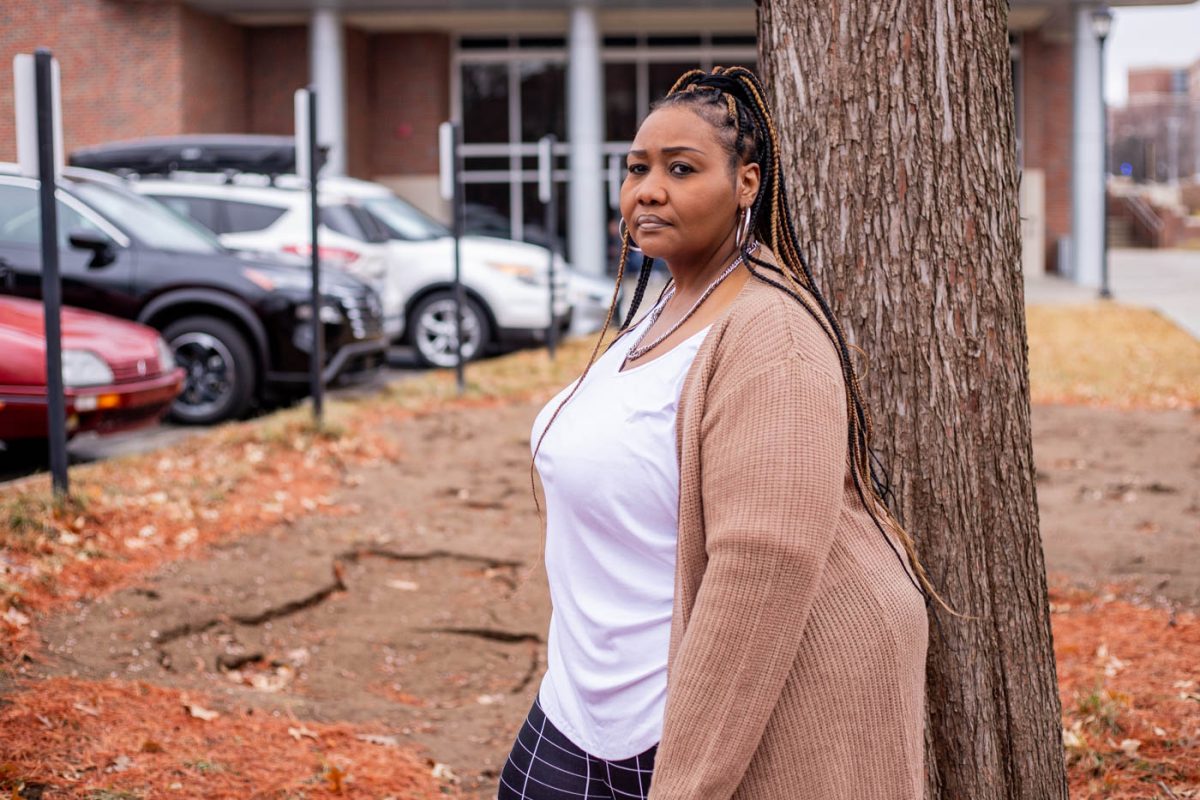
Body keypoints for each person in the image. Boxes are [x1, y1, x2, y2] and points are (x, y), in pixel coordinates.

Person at [498, 67, 935, 800]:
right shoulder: (661, 309)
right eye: (637, 168)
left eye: (681, 168)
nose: (649, 189)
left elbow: (762, 568)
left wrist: (689, 781)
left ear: (747, 184)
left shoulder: (773, 339)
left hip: (673, 732)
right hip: (578, 708)